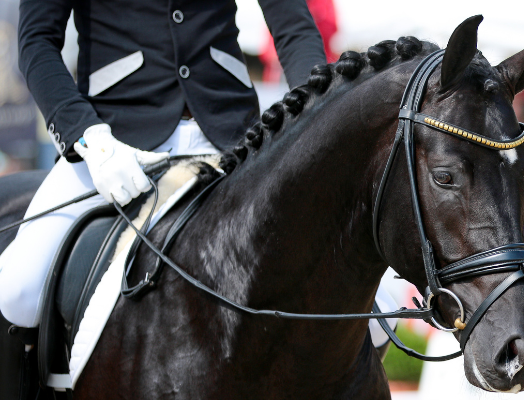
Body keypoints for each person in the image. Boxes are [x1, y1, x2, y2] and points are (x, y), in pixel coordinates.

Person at [0, 0, 327, 329]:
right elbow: (37, 41)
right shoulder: (100, 142)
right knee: (19, 292)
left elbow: (294, 28)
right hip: (112, 138)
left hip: (233, 134)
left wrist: (315, 114)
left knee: (373, 304)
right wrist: (89, 139)